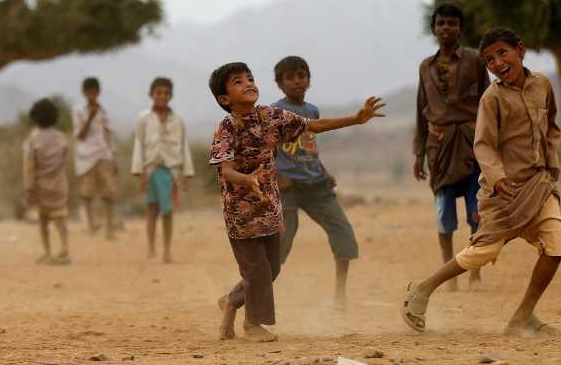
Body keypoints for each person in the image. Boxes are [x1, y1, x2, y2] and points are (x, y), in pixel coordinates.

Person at [400, 27, 561, 336]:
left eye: (502, 53)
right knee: (483, 252)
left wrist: (553, 165)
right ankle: (422, 290)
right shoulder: (491, 98)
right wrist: (497, 177)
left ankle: (523, 317)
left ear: (520, 49)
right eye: (489, 59)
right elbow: (484, 145)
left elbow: (552, 127)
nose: (497, 63)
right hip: (504, 190)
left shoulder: (542, 85)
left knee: (556, 247)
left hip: (540, 184)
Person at [208, 62, 385, 342]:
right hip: (240, 213)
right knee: (255, 270)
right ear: (224, 99)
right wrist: (246, 179)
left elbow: (314, 126)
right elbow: (226, 170)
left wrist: (356, 118)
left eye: (250, 78)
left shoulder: (270, 116)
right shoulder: (226, 127)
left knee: (272, 268)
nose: (248, 83)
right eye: (238, 81)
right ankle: (252, 324)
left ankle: (231, 302)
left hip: (269, 209)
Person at [413, 2, 490, 290]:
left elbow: (489, 100)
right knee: (444, 215)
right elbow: (421, 108)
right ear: (434, 28)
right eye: (441, 23)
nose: (446, 28)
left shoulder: (476, 60)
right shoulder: (425, 66)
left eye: (452, 23)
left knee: (476, 212)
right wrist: (419, 153)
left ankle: (475, 273)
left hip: (472, 146)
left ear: (461, 28)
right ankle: (449, 272)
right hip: (439, 148)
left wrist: (492, 143)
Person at [271, 56, 359, 309]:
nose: (297, 81)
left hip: (315, 183)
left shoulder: (312, 111)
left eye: (301, 75)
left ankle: (340, 295)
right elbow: (267, 150)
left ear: (309, 79)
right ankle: (254, 292)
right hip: (288, 186)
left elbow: (308, 146)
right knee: (282, 240)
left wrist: (323, 170)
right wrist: (277, 175)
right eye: (290, 77)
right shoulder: (275, 112)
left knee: (342, 231)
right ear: (280, 83)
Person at [130, 77, 195, 263]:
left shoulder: (178, 119)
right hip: (150, 170)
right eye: (158, 93)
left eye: (166, 93)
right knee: (151, 209)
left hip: (171, 172)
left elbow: (184, 146)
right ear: (151, 94)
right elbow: (138, 145)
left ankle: (167, 250)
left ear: (171, 95)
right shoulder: (143, 119)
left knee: (167, 212)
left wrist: (186, 174)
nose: (162, 96)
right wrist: (139, 172)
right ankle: (151, 249)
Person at [23, 98, 71, 265]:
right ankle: (64, 248)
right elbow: (64, 154)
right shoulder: (60, 137)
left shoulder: (32, 139)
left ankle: (47, 252)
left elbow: (29, 165)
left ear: (35, 118)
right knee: (60, 217)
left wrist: (29, 188)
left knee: (43, 219)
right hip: (59, 183)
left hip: (40, 185)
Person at [73, 77, 118, 239]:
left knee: (109, 193)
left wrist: (114, 158)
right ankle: (91, 227)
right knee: (87, 194)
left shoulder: (104, 111)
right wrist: (90, 117)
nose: (92, 95)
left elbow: (109, 135)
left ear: (98, 92)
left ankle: (109, 229)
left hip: (104, 155)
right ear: (84, 93)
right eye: (89, 92)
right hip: (86, 157)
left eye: (95, 92)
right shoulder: (78, 111)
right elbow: (80, 136)